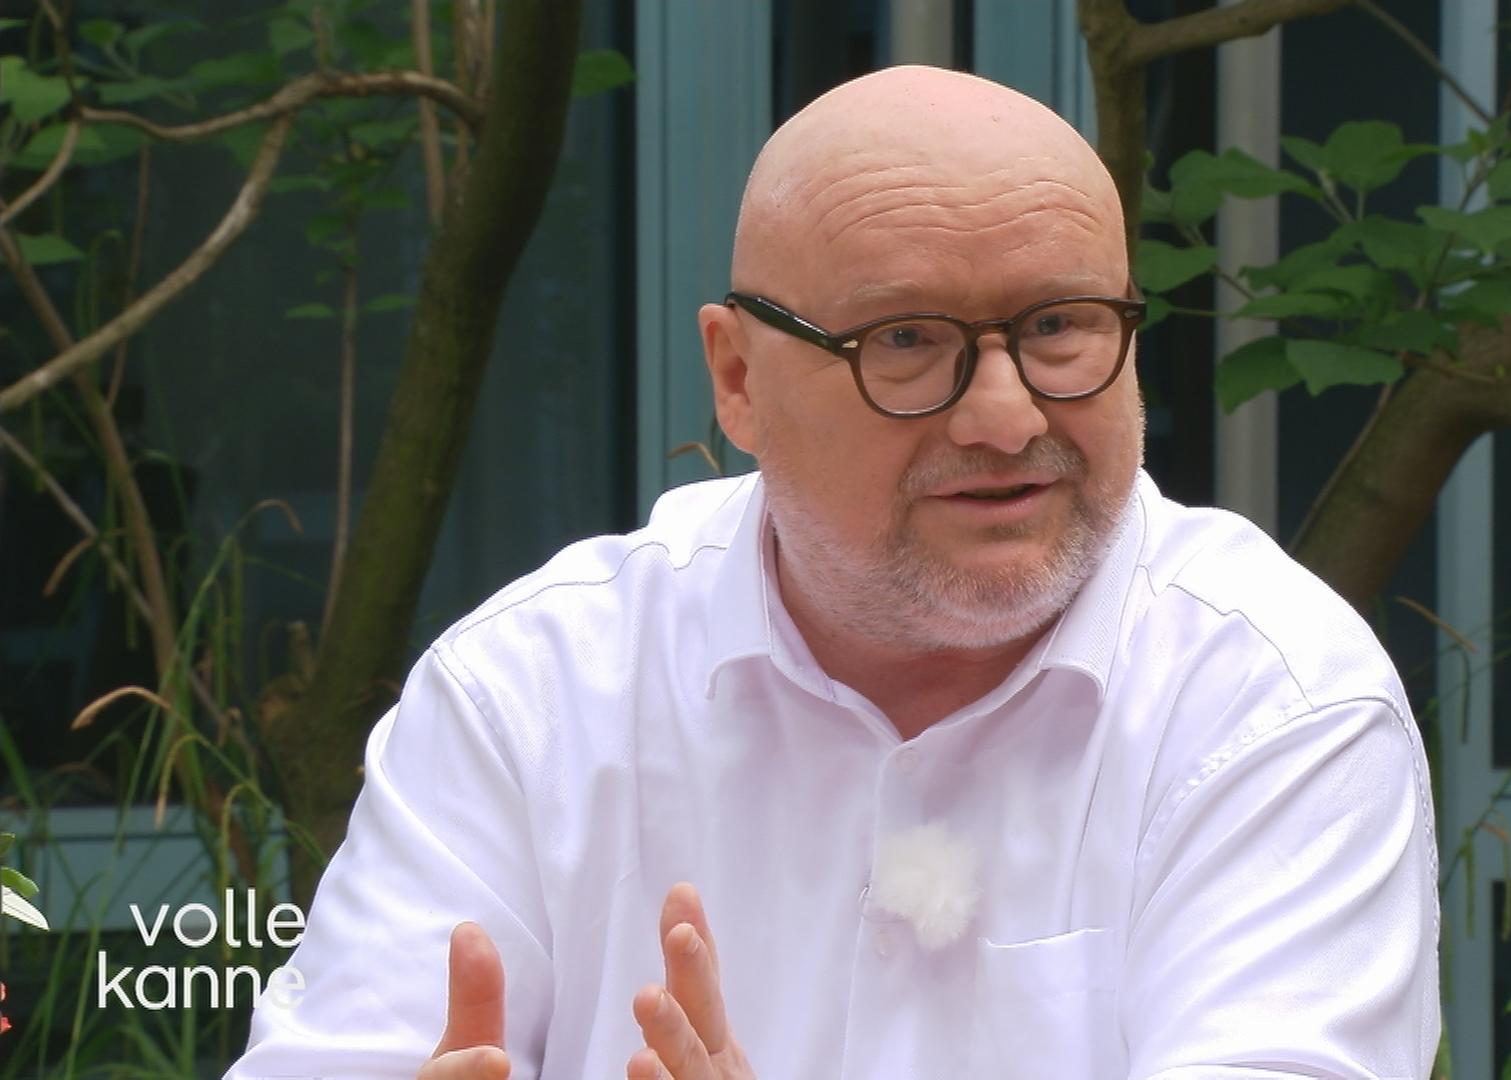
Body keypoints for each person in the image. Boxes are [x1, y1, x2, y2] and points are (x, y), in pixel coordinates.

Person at [229, 65, 1439, 1080]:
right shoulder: (534, 696)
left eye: (1059, 326)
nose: (1006, 417)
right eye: (905, 341)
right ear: (738, 378)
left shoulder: (1271, 704)